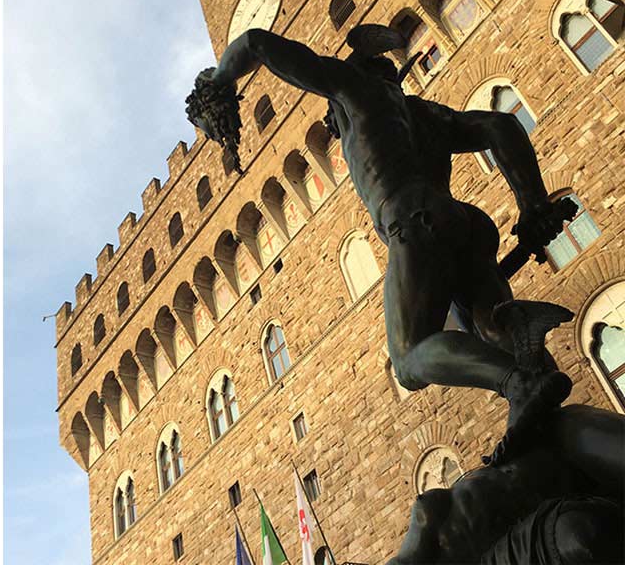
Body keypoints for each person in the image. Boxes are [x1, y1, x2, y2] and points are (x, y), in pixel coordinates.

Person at [187, 24, 577, 460]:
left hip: (412, 222)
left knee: (409, 361)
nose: (332, 126)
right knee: (494, 330)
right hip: (465, 223)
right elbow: (499, 126)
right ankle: (548, 409)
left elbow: (257, 42)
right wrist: (531, 203)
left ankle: (517, 383)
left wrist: (216, 82)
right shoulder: (422, 115)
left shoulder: (354, 91)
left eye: (331, 120)